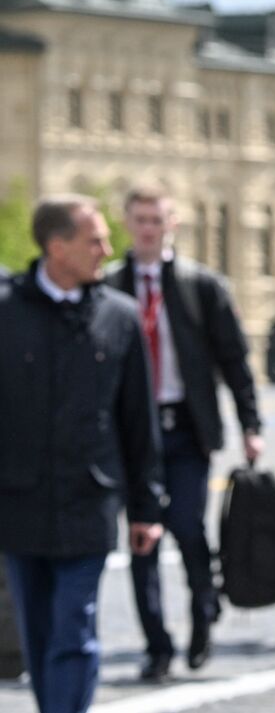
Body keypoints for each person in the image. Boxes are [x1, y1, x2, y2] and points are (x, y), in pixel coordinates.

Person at [0, 195, 164, 713]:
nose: (106, 249)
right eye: (93, 239)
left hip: (89, 502)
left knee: (74, 629)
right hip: (19, 506)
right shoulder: (5, 313)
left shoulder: (119, 316)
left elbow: (139, 421)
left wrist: (146, 507)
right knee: (40, 634)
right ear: (57, 246)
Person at [106, 185, 263, 681]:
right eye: (141, 219)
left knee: (188, 526)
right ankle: (156, 643)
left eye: (157, 219)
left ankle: (202, 613)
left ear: (171, 224)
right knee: (141, 536)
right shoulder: (111, 286)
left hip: (186, 428)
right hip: (132, 433)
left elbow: (234, 359)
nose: (149, 227)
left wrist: (251, 424)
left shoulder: (202, 285)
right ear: (128, 223)